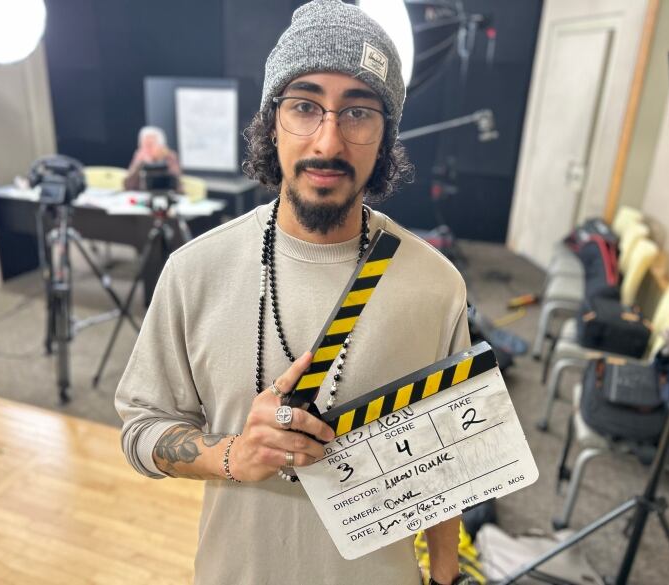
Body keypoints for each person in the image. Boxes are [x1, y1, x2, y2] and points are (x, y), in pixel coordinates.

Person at [115, 1, 472, 583]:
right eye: (304, 106)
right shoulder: (193, 271)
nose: (328, 141)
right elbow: (140, 430)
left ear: (385, 136)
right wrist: (232, 455)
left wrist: (446, 578)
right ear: (271, 120)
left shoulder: (437, 287)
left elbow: (449, 463)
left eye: (358, 112)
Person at [123, 125, 181, 191]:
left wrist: (152, 164)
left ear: (161, 146)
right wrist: (137, 164)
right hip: (142, 196)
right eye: (143, 145)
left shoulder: (169, 157)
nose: (146, 149)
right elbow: (128, 185)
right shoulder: (140, 157)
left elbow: (173, 185)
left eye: (149, 145)